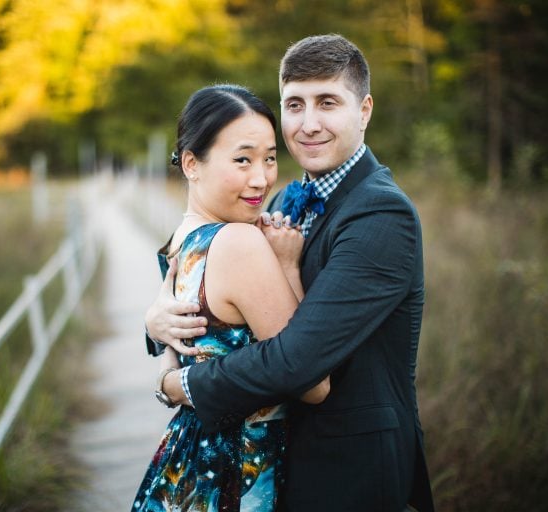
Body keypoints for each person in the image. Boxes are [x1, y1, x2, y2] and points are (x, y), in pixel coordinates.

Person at [145, 34, 435, 511]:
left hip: (349, 468)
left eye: (328, 103)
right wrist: (155, 320)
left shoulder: (383, 215)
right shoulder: (278, 201)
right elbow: (212, 293)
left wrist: (179, 385)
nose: (308, 123)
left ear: (363, 111)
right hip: (274, 461)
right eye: (294, 105)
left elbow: (298, 361)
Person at [132, 84, 330, 512]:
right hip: (234, 472)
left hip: (185, 460)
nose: (261, 179)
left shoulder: (179, 241)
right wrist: (291, 268)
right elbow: (311, 383)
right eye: (242, 160)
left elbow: (177, 352)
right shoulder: (240, 242)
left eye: (270, 158)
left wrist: (166, 376)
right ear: (191, 163)